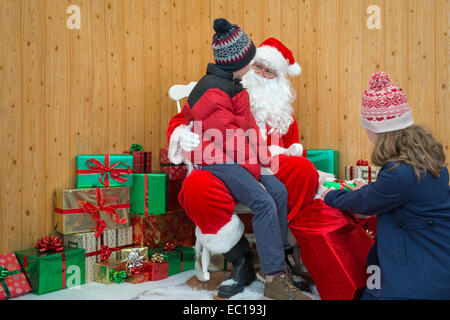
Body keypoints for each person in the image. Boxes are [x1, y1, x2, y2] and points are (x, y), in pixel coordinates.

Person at [166, 34, 318, 300]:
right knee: (197, 186)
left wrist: (273, 159)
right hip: (221, 163)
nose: (258, 73)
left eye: (267, 70)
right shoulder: (217, 91)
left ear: (280, 79)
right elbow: (189, 120)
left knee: (301, 171)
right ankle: (240, 259)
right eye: (256, 66)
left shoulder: (277, 111)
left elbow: (282, 145)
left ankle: (278, 262)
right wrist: (180, 133)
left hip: (257, 160)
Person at [321, 72, 450, 299]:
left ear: (378, 130)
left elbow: (363, 203)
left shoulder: (398, 173)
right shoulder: (424, 162)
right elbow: (388, 194)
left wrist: (331, 195)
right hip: (435, 258)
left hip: (417, 272)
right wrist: (368, 189)